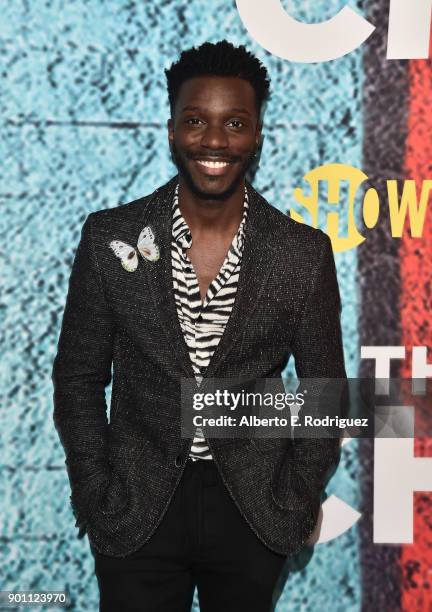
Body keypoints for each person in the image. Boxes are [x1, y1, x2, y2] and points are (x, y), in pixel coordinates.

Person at [52, 40, 346, 612]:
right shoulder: (110, 236)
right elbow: (78, 376)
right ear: (171, 130)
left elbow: (324, 390)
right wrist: (95, 487)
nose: (215, 141)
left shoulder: (301, 253)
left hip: (253, 509)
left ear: (258, 134)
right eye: (196, 121)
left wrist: (294, 495)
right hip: (135, 507)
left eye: (235, 123)